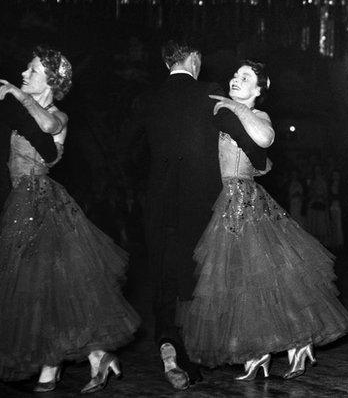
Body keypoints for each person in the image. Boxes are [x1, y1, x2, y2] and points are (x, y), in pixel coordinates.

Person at [179, 61, 348, 380]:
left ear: (258, 91)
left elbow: (264, 138)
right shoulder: (224, 116)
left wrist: (235, 106)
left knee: (268, 280)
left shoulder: (258, 115)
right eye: (234, 75)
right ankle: (259, 352)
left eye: (245, 77)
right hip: (225, 204)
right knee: (243, 282)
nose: (235, 78)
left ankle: (297, 342)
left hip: (246, 201)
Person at [124, 40, 265, 390]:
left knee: (163, 276)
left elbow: (126, 152)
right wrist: (261, 163)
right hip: (200, 203)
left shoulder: (146, 98)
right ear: (194, 60)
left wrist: (149, 181)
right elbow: (244, 137)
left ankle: (167, 345)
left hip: (157, 202)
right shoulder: (209, 93)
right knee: (193, 279)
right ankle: (188, 355)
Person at [0, 47, 140, 393]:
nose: (23, 75)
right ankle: (77, 361)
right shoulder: (23, 112)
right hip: (21, 201)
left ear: (50, 80)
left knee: (45, 286)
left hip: (41, 202)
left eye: (31, 71)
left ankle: (61, 364)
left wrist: (18, 95)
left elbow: (46, 126)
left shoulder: (59, 115)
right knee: (44, 288)